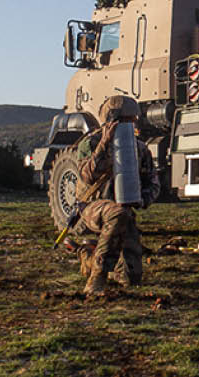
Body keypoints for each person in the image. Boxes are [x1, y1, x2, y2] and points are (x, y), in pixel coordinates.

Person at [74, 95, 161, 297]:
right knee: (117, 213)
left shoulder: (139, 149)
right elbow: (87, 176)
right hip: (92, 207)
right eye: (129, 120)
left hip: (124, 211)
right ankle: (97, 277)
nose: (134, 124)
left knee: (131, 278)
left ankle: (89, 258)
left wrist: (143, 199)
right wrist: (105, 143)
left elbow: (153, 183)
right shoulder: (90, 143)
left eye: (134, 120)